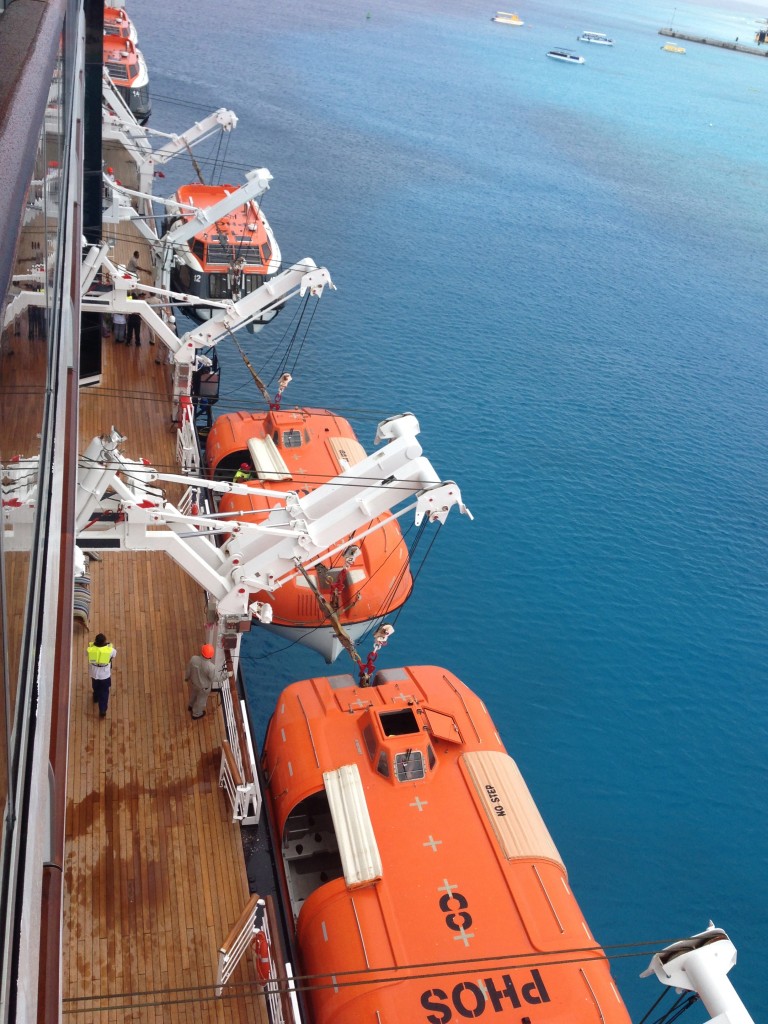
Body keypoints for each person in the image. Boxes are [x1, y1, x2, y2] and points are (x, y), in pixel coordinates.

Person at [87, 632, 116, 718]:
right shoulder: (110, 650)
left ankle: (95, 697)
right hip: (105, 674)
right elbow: (114, 654)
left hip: (94, 673)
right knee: (104, 692)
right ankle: (102, 709)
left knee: (95, 686)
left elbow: (87, 654)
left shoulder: (90, 649)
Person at [184, 643, 216, 719]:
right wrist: (226, 675)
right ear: (211, 656)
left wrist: (186, 678)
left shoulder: (193, 659)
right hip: (203, 688)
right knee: (200, 701)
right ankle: (196, 714)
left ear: (202, 651)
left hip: (194, 684)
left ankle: (190, 706)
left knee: (194, 694)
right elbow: (213, 678)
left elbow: (188, 670)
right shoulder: (211, 667)